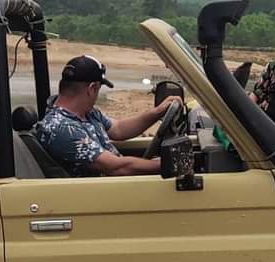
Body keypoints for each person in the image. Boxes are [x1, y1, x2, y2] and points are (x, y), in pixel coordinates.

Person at [35, 54, 182, 176]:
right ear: (92, 88)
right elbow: (116, 168)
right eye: (98, 89)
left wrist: (157, 112)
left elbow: (118, 128)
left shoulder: (87, 113)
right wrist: (167, 164)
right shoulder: (61, 128)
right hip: (98, 195)